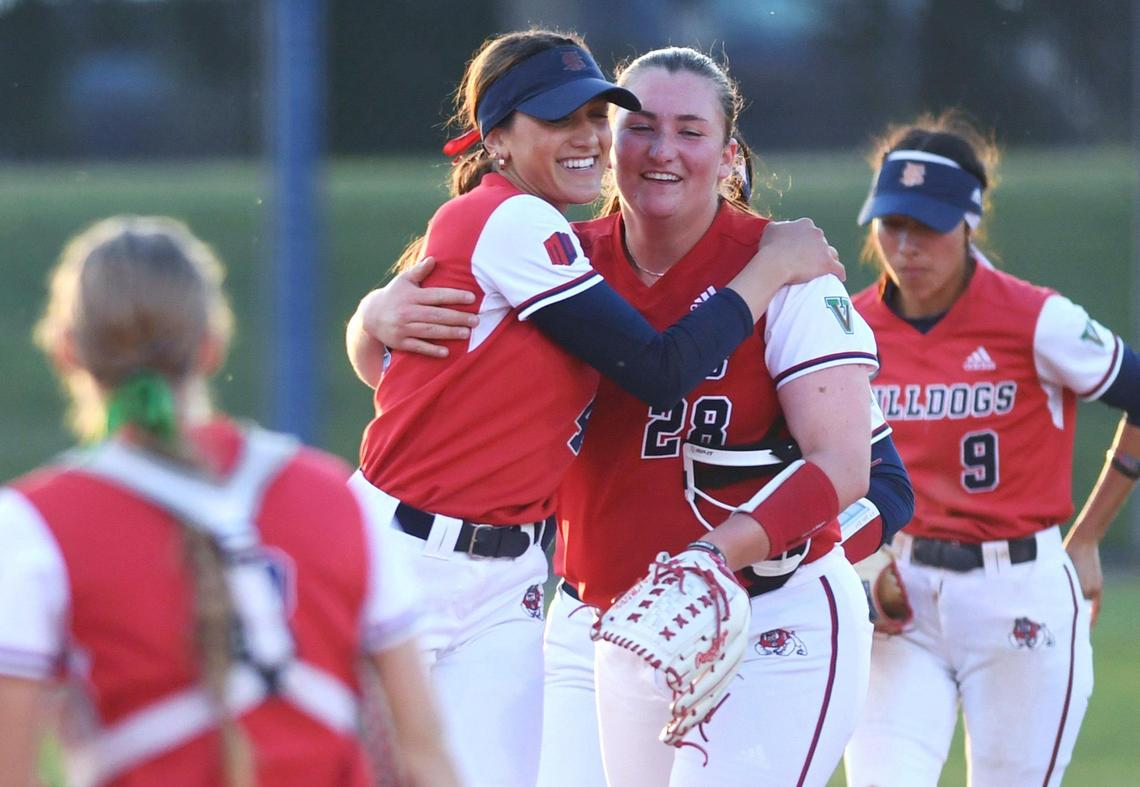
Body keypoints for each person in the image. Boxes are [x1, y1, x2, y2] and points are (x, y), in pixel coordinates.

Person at [355, 47, 914, 787]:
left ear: (729, 155)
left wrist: (722, 557)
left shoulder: (790, 271)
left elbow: (863, 470)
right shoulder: (562, 253)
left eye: (691, 130)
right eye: (639, 126)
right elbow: (423, 374)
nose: (662, 149)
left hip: (765, 616)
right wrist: (370, 318)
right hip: (588, 617)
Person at [0, 216, 460, 787]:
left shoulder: (33, 526)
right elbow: (425, 758)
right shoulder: (333, 498)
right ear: (212, 348)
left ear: (68, 351)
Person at [844, 111, 1140, 786]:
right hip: (900, 593)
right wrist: (863, 561)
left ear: (969, 221)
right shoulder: (850, 328)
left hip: (1019, 591)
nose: (907, 245)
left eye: (927, 225)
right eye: (893, 224)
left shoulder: (1037, 318)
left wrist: (1089, 535)